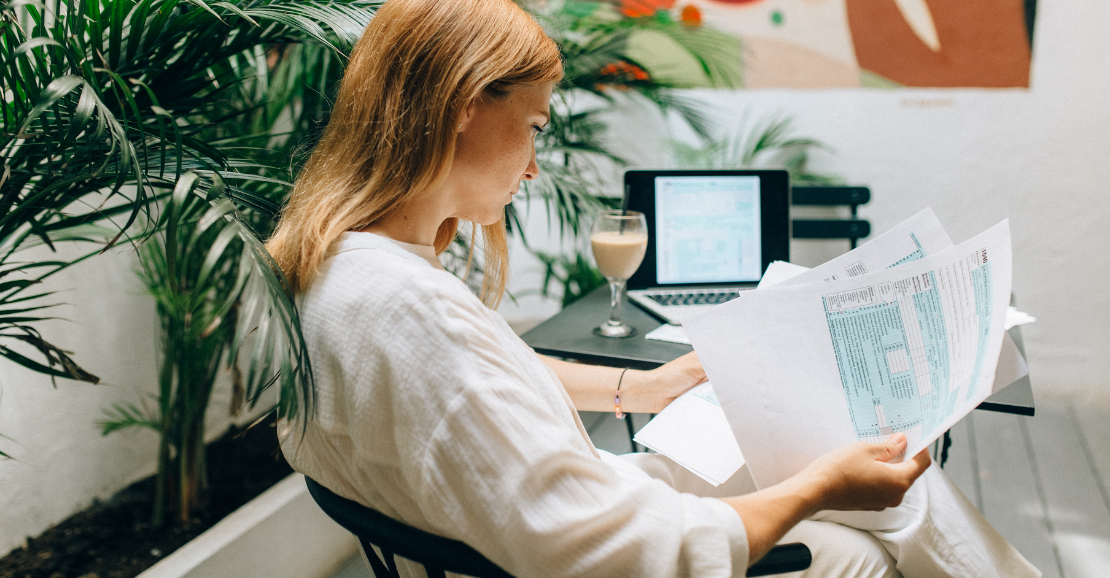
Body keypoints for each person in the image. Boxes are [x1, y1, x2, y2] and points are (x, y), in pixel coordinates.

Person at [267, 1, 1040, 576]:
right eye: (535, 128)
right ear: (468, 102)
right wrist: (816, 490)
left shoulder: (345, 267)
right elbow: (610, 546)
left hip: (531, 505)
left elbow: (487, 374)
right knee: (864, 529)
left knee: (861, 462)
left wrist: (644, 389)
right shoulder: (408, 307)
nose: (535, 165)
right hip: (592, 529)